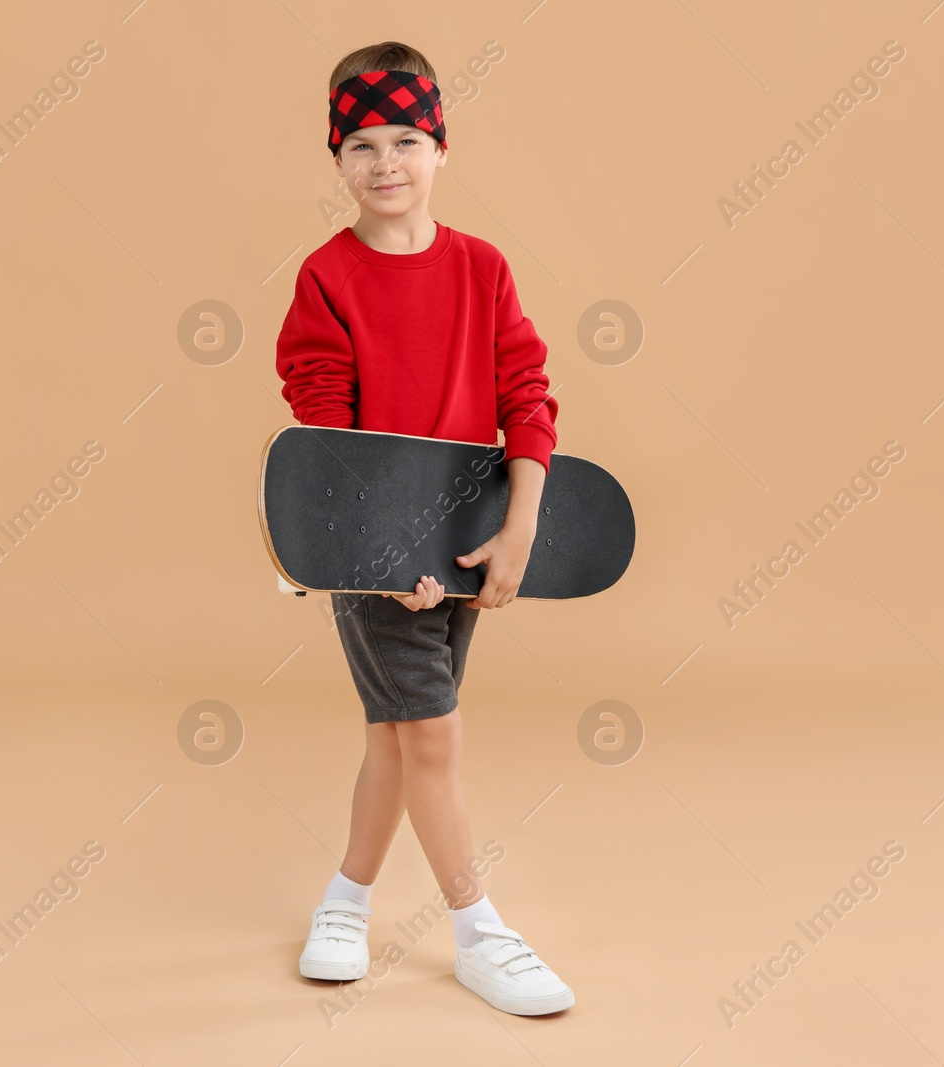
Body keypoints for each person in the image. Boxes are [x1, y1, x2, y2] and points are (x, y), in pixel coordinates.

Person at [274, 41, 573, 1016]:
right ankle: (480, 929)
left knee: (395, 736)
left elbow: (527, 394)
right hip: (374, 557)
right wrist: (383, 555)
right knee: (432, 736)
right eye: (361, 144)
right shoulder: (325, 278)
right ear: (337, 161)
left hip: (468, 548)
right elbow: (326, 432)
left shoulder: (482, 269)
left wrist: (520, 525)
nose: (386, 161)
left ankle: (344, 900)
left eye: (405, 138)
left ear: (440, 145)